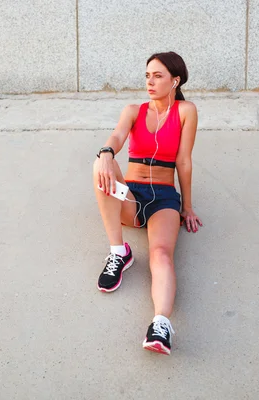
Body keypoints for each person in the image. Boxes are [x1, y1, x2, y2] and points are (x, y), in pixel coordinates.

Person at [93, 51, 202, 356]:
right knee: (100, 165)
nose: (150, 82)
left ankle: (160, 325)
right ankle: (119, 252)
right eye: (147, 76)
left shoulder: (186, 111)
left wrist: (187, 207)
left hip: (164, 199)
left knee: (161, 255)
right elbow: (116, 136)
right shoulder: (133, 110)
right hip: (131, 195)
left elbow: (183, 160)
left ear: (175, 80)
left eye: (158, 76)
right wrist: (106, 152)